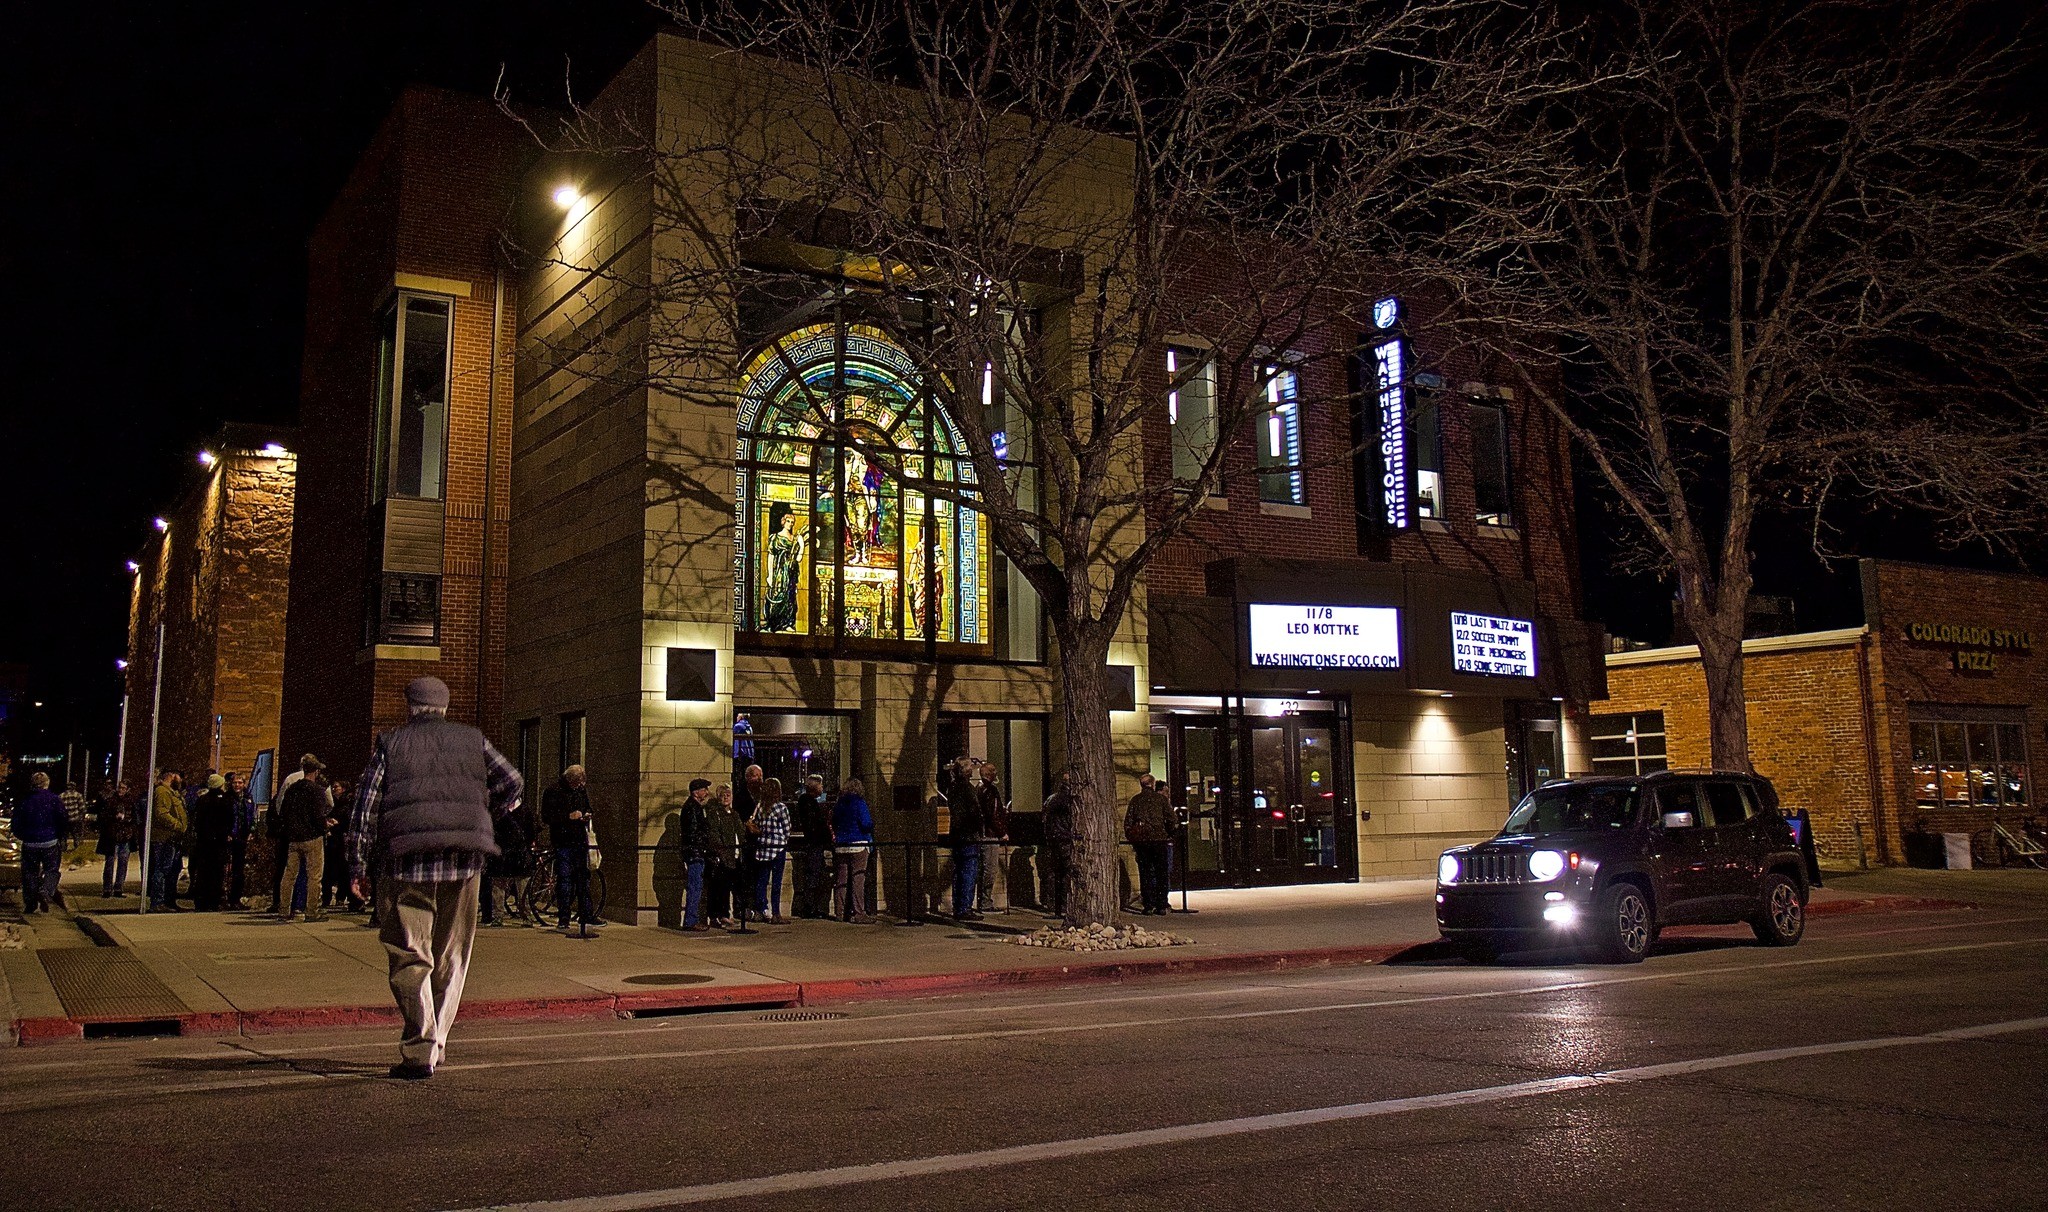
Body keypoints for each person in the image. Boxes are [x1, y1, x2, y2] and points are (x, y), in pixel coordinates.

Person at [346, 675, 522, 1080]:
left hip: (406, 862)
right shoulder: (473, 739)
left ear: (410, 706)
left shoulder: (391, 743)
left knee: (410, 953)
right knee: (452, 955)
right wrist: (479, 817)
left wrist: (357, 865)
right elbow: (512, 781)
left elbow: (365, 808)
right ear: (444, 707)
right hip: (464, 861)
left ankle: (420, 1046)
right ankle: (438, 1041)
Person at [542, 765, 600, 932]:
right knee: (565, 880)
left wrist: (587, 813)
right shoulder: (553, 791)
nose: (579, 786)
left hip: (580, 839)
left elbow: (588, 806)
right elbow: (547, 816)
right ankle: (564, 917)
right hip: (563, 840)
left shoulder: (580, 791)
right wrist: (568, 816)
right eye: (576, 783)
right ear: (569, 780)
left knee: (583, 878)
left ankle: (586, 914)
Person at [276, 765, 335, 922]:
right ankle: (311, 911)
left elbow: (282, 810)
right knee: (314, 876)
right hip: (312, 837)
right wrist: (325, 827)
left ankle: (283, 909)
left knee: (289, 875)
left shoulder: (291, 788)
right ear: (315, 771)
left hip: (294, 838)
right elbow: (319, 814)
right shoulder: (316, 790)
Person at [14, 772, 70, 913]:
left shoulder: (26, 801)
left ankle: (30, 902)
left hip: (30, 842)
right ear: (47, 783)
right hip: (50, 841)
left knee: (29, 873)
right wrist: (61, 836)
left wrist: (23, 835)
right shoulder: (54, 799)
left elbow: (17, 822)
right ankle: (45, 890)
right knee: (52, 870)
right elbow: (63, 819)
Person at [482, 784, 537, 926]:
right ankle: (498, 915)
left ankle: (525, 915)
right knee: (499, 884)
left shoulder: (524, 810)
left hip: (518, 851)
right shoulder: (497, 810)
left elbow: (531, 830)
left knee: (522, 885)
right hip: (503, 852)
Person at [1124, 773, 1176, 915]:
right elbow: (1172, 818)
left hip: (1142, 842)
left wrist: (1133, 838)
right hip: (1159, 840)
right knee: (1161, 873)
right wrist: (1169, 832)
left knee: (1145, 872)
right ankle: (1161, 904)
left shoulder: (1136, 800)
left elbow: (1128, 822)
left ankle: (1148, 904)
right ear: (1152, 784)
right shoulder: (1161, 800)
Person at [945, 759, 986, 920]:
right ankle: (964, 907)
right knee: (969, 871)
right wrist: (978, 826)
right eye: (970, 768)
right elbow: (974, 813)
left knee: (959, 872)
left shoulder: (953, 788)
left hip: (957, 835)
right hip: (968, 835)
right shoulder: (967, 789)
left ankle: (959, 906)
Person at [831, 777, 875, 923]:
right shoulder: (859, 803)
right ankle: (859, 913)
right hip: (858, 843)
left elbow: (834, 821)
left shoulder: (839, 804)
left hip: (841, 845)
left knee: (841, 879)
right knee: (858, 878)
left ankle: (839, 912)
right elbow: (866, 823)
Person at [747, 777, 791, 923]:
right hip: (778, 847)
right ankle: (776, 913)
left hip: (763, 846)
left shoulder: (760, 806)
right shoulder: (781, 808)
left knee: (762, 881)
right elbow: (786, 829)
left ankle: (762, 909)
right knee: (776, 881)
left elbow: (756, 824)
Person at [187, 774, 234, 912]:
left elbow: (197, 820)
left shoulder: (203, 800)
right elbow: (229, 820)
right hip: (219, 842)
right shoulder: (225, 801)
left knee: (203, 872)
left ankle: (201, 901)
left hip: (204, 842)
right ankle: (213, 901)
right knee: (217, 872)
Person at [704, 783, 747, 928]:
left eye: (728, 794)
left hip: (735, 856)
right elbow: (714, 835)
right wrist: (721, 853)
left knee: (729, 887)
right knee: (718, 888)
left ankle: (725, 913)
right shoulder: (715, 814)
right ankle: (716, 916)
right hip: (722, 857)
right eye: (723, 795)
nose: (726, 797)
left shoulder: (734, 814)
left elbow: (740, 833)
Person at [790, 774, 832, 919]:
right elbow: (815, 824)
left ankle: (812, 907)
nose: (822, 788)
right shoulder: (808, 802)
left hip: (815, 843)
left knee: (815, 876)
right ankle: (809, 907)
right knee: (813, 876)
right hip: (814, 844)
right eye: (821, 785)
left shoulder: (808, 802)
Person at [677, 778, 714, 930]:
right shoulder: (692, 808)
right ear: (696, 791)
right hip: (695, 852)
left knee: (696, 885)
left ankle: (692, 919)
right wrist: (703, 843)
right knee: (695, 886)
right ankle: (691, 920)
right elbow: (693, 832)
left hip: (695, 851)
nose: (706, 792)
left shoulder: (695, 807)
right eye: (704, 789)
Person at [149, 770, 188, 911]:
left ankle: (169, 901)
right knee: (162, 869)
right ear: (171, 777)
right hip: (165, 837)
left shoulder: (172, 793)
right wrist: (178, 825)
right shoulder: (162, 792)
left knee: (174, 869)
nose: (181, 780)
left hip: (174, 838)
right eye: (178, 777)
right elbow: (161, 813)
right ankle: (158, 902)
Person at [1039, 773, 1075, 917]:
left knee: (1054, 873)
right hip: (1065, 839)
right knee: (1066, 873)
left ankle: (1053, 904)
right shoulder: (1069, 800)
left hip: (1052, 839)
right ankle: (1064, 905)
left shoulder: (1051, 799)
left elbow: (1044, 819)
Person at [975, 762, 1009, 912]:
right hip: (989, 834)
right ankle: (985, 901)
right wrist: (1002, 832)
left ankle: (983, 900)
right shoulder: (988, 791)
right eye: (994, 771)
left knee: (986, 868)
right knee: (990, 868)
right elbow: (992, 815)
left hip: (985, 832)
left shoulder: (981, 790)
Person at [320, 778, 358, 911]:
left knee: (343, 870)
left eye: (337, 787)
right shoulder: (331, 804)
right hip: (331, 841)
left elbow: (349, 821)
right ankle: (327, 897)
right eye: (333, 787)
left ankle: (341, 897)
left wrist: (338, 824)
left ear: (343, 788)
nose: (334, 789)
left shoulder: (347, 803)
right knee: (328, 870)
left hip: (341, 841)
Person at [97, 781, 138, 899]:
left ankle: (118, 888)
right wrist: (114, 817)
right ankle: (107, 888)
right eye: (119, 788)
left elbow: (134, 817)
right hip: (112, 836)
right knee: (109, 862)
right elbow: (103, 816)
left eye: (124, 788)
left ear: (127, 789)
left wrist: (128, 823)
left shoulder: (130, 802)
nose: (121, 790)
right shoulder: (110, 801)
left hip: (125, 836)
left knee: (123, 863)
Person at [226, 772, 256, 907]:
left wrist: (251, 831)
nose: (237, 785)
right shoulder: (227, 798)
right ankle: (225, 896)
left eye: (240, 783)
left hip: (242, 836)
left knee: (239, 870)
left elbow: (252, 816)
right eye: (235, 783)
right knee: (227, 868)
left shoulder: (248, 799)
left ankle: (235, 898)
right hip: (230, 836)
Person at [60, 781, 87, 869]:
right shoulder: (78, 795)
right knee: (76, 835)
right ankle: (77, 849)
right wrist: (82, 817)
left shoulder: (61, 796)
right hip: (75, 819)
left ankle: (63, 850)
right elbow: (82, 808)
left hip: (64, 820)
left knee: (64, 836)